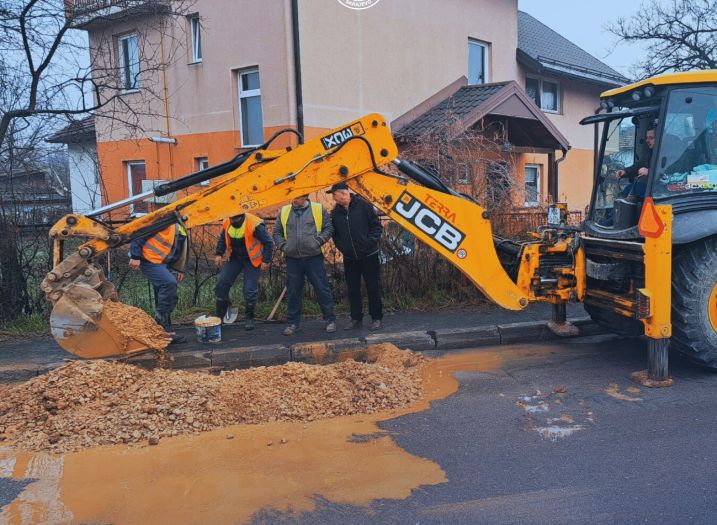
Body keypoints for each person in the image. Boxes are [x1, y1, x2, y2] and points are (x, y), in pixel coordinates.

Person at [273, 195, 336, 335]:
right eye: (293, 197)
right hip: (293, 259)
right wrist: (284, 246)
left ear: (305, 197)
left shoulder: (318, 209)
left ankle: (330, 320)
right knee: (293, 292)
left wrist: (317, 242)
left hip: (313, 258)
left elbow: (328, 228)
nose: (294, 200)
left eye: (297, 198)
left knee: (322, 289)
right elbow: (277, 232)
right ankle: (293, 323)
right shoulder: (284, 211)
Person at [328, 182, 384, 331]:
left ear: (344, 193)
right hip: (350, 258)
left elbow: (376, 226)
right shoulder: (335, 213)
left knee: (373, 287)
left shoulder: (364, 205)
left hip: (369, 255)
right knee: (352, 289)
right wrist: (344, 248)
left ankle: (376, 318)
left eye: (334, 194)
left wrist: (369, 242)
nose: (333, 198)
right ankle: (355, 318)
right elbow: (336, 235)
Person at [129, 222, 188, 344]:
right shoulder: (165, 219)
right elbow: (140, 233)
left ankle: (163, 329)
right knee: (169, 284)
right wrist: (135, 256)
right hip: (149, 260)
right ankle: (160, 325)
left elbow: (181, 248)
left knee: (163, 292)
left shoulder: (179, 224)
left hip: (163, 263)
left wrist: (179, 268)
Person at [214, 213, 274, 330]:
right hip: (235, 258)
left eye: (234, 219)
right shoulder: (227, 221)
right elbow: (223, 238)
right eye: (231, 218)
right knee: (222, 283)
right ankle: (220, 317)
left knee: (249, 289)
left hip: (252, 260)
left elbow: (269, 242)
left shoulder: (254, 224)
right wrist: (218, 254)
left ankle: (249, 318)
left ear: (241, 217)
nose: (232, 221)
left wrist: (266, 260)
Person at [617, 127, 655, 198]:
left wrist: (649, 172)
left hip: (662, 190)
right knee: (630, 190)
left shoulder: (669, 154)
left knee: (633, 190)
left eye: (651, 138)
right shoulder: (650, 153)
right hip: (649, 187)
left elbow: (670, 173)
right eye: (647, 137)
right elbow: (638, 165)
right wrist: (625, 172)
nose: (647, 140)